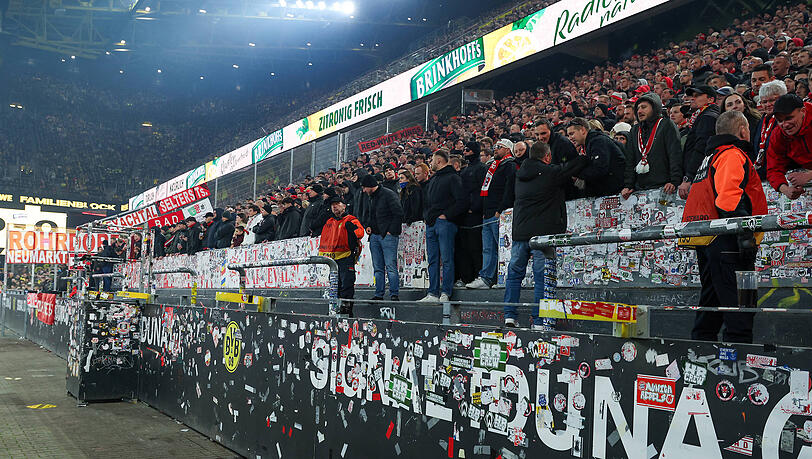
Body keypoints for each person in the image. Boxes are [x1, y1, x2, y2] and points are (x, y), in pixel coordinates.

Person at [681, 111, 767, 343]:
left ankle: (701, 345)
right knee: (742, 298)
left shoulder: (711, 157)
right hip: (730, 237)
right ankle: (740, 352)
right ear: (742, 130)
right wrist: (745, 234)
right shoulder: (731, 155)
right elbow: (728, 199)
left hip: (708, 238)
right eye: (748, 128)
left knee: (713, 297)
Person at [504, 142, 587, 329]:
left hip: (519, 233)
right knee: (542, 277)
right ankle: (540, 320)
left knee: (514, 275)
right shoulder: (550, 172)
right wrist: (583, 155)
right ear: (547, 157)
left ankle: (509, 316)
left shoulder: (520, 174)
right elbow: (573, 166)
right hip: (542, 235)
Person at [466, 138, 515, 290]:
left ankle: (504, 277)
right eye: (495, 147)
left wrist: (500, 209)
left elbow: (509, 189)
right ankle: (486, 278)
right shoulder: (493, 166)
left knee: (503, 247)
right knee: (488, 248)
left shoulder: (510, 165)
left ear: (507, 149)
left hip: (499, 212)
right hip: (488, 213)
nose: (495, 149)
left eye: (499, 147)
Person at [420, 149, 467, 302]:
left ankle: (446, 292)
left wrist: (446, 215)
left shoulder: (453, 177)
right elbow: (426, 203)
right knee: (433, 260)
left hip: (445, 223)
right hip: (432, 223)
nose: (430, 163)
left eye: (432, 160)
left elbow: (462, 201)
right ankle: (432, 293)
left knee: (447, 259)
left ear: (439, 161)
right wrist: (427, 217)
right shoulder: (433, 180)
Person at [621, 93, 683, 198]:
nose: (639, 111)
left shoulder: (666, 124)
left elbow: (674, 154)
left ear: (655, 108)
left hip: (664, 187)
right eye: (638, 108)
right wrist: (628, 185)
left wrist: (674, 181)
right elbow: (630, 160)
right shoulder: (635, 130)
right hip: (639, 189)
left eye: (644, 107)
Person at [318, 195, 365, 315]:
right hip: (332, 260)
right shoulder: (329, 221)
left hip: (346, 257)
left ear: (344, 206)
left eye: (337, 204)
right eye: (332, 205)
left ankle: (347, 310)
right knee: (335, 285)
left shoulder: (351, 220)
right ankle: (335, 308)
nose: (334, 206)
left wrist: (352, 230)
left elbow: (360, 233)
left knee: (347, 284)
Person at [361, 174, 404, 301]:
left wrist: (391, 231)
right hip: (375, 236)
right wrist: (368, 225)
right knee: (378, 267)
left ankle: (394, 294)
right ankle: (379, 294)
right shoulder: (371, 198)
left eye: (364, 188)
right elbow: (370, 215)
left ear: (369, 186)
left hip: (387, 236)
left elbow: (398, 213)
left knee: (390, 266)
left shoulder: (388, 194)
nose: (363, 191)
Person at [766, 94, 812, 199]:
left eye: (789, 118)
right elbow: (773, 168)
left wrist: (809, 175)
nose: (785, 125)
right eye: (780, 120)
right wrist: (785, 189)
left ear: (803, 111)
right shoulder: (778, 135)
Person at [566, 117, 626, 197]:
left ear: (583, 130)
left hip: (616, 192)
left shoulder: (598, 141)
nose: (570, 138)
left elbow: (600, 169)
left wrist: (576, 173)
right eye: (568, 135)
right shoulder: (591, 142)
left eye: (572, 134)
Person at [680, 85, 721, 199]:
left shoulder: (708, 117)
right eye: (692, 96)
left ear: (710, 99)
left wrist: (689, 176)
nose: (693, 98)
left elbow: (701, 148)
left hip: (702, 176)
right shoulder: (703, 116)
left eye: (697, 96)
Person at [457, 141, 486, 286]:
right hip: (464, 214)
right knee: (465, 248)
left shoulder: (482, 168)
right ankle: (467, 277)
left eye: (467, 150)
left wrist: (475, 208)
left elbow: (483, 190)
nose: (465, 153)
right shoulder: (465, 171)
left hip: (475, 214)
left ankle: (478, 275)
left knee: (476, 247)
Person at [752, 80, 788, 178]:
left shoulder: (787, 119)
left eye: (772, 100)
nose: (768, 104)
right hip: (765, 174)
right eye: (764, 101)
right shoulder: (761, 121)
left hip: (785, 173)